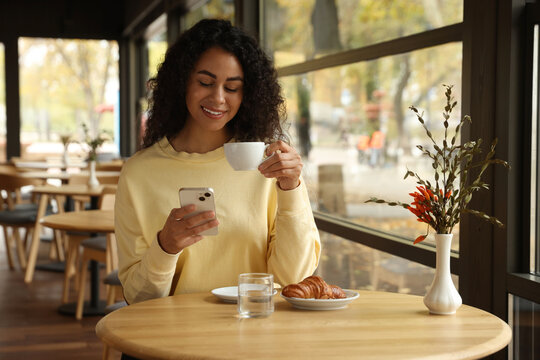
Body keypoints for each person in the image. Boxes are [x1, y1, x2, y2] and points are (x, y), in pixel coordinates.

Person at [115, 19, 321, 305]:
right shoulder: (139, 173)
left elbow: (292, 280)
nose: (218, 98)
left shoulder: (268, 166)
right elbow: (137, 299)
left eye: (232, 88)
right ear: (181, 81)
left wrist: (291, 188)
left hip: (253, 333)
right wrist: (165, 247)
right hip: (170, 339)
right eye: (205, 83)